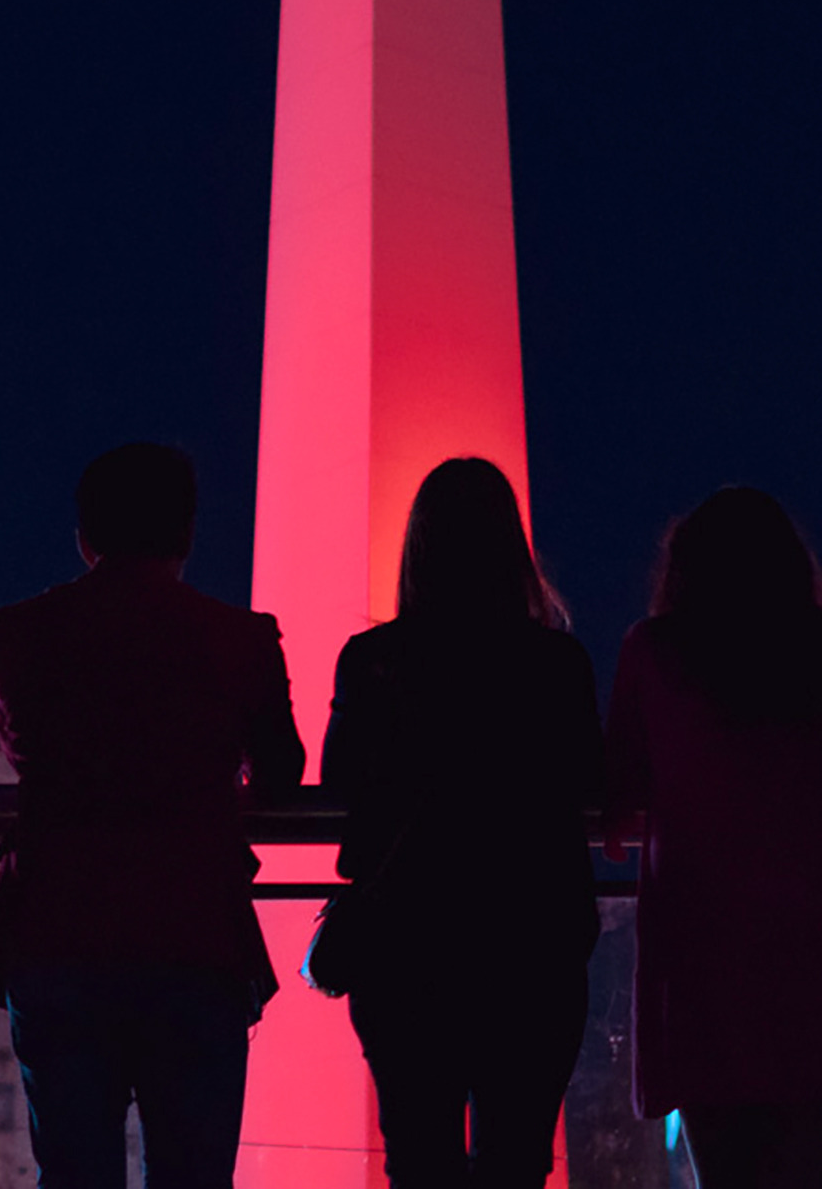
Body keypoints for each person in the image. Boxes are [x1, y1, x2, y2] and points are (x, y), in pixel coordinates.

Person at [0, 442, 307, 1189]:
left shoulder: (18, 634)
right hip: (196, 938)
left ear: (85, 538)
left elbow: (29, 749)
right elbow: (283, 773)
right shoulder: (241, 639)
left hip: (59, 933)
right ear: (186, 535)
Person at [606, 487, 822, 1189]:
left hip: (697, 955)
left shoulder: (653, 653)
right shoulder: (816, 649)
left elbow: (620, 781)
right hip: (809, 944)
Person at [321, 458, 605, 1189]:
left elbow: (341, 784)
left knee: (419, 1161)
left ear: (419, 547)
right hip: (531, 942)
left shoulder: (373, 661)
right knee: (516, 1164)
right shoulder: (556, 664)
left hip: (405, 944)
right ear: (512, 547)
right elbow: (588, 780)